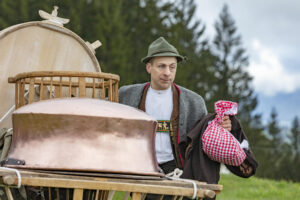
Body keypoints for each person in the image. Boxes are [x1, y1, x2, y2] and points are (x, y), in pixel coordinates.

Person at [118, 37, 236, 175]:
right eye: (161, 66)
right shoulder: (127, 95)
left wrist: (221, 128)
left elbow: (204, 136)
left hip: (177, 170)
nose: (167, 72)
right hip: (138, 166)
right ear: (149, 67)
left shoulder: (194, 102)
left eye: (172, 67)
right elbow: (101, 110)